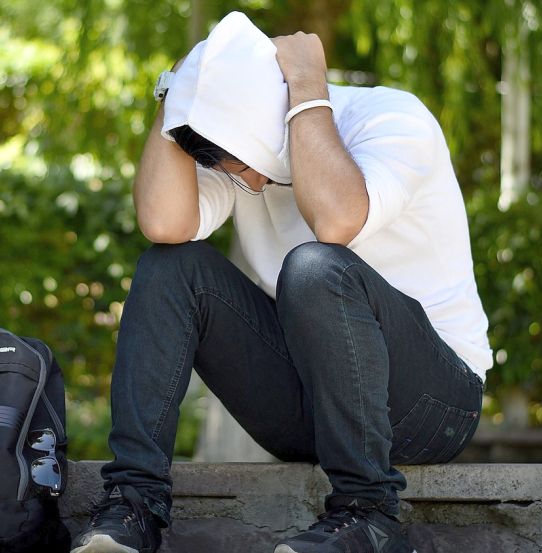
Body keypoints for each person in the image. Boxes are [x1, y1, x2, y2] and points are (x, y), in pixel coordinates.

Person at [70, 11, 491, 553]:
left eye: (240, 160)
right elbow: (163, 221)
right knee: (169, 265)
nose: (242, 178)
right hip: (314, 405)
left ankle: (369, 516)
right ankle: (133, 507)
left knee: (315, 266)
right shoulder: (244, 155)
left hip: (433, 404)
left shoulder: (393, 119)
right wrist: (180, 94)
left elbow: (338, 221)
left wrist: (307, 88)